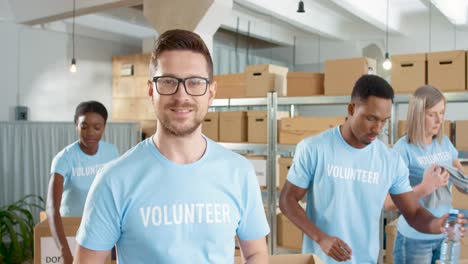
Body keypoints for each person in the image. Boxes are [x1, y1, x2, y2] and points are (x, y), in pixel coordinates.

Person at [73, 29, 270, 264]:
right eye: (168, 82)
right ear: (150, 90)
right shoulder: (114, 180)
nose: (181, 95)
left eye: (195, 82)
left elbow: (257, 253)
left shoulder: (239, 172)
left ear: (211, 92)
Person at [279, 75, 466, 264]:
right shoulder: (314, 148)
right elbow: (287, 199)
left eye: (384, 121)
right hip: (320, 260)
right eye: (371, 118)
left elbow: (414, 213)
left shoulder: (390, 160)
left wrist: (437, 224)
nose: (377, 128)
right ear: (351, 109)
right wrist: (320, 238)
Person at [386, 85, 468, 264]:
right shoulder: (403, 150)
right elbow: (388, 203)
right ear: (417, 115)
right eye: (432, 114)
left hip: (446, 233)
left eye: (442, 112)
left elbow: (463, 185)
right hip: (415, 239)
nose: (439, 120)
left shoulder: (445, 143)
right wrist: (425, 188)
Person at [46, 101, 119, 264]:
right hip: (72, 228)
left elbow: (117, 193)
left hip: (101, 226)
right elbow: (52, 208)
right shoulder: (63, 159)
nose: (90, 132)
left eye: (97, 127)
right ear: (76, 126)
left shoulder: (112, 152)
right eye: (84, 126)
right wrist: (63, 250)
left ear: (104, 127)